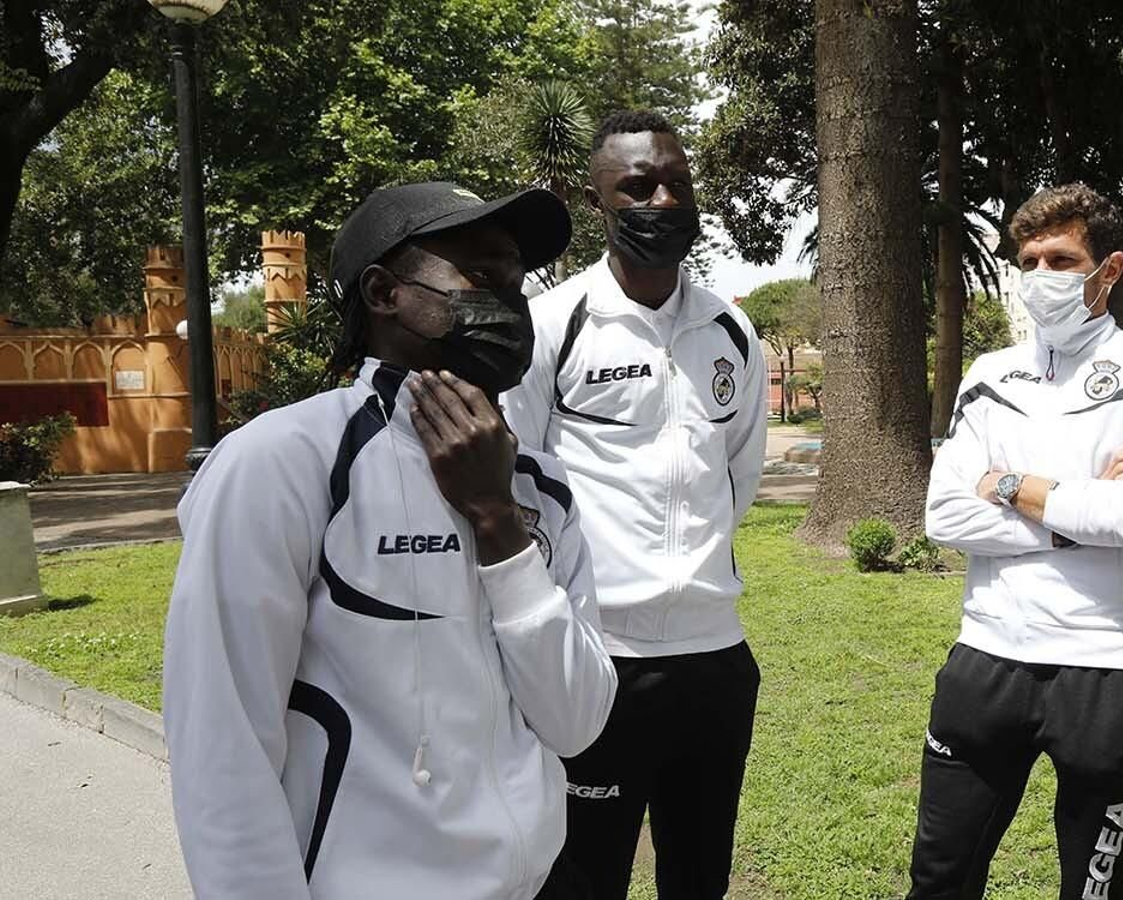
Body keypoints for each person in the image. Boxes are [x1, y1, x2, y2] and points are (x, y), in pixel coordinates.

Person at [163, 182, 617, 899]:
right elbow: (222, 745)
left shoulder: (542, 486)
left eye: (515, 281)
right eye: (481, 275)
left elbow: (577, 722)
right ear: (384, 293)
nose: (511, 304)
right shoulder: (283, 463)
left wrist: (498, 523)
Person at [504, 109, 768, 900]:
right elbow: (519, 482)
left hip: (715, 657)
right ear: (597, 203)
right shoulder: (551, 325)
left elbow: (737, 474)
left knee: (699, 877)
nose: (663, 201)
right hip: (599, 657)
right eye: (639, 186)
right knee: (585, 879)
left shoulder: (730, 328)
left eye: (677, 183)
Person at [912, 183, 1123, 900]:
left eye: (1062, 260)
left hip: (1103, 668)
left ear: (1109, 269)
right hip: (986, 656)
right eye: (1029, 261)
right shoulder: (989, 376)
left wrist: (1007, 482)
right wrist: (1076, 508)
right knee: (940, 880)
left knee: (1096, 890)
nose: (1040, 276)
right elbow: (944, 516)